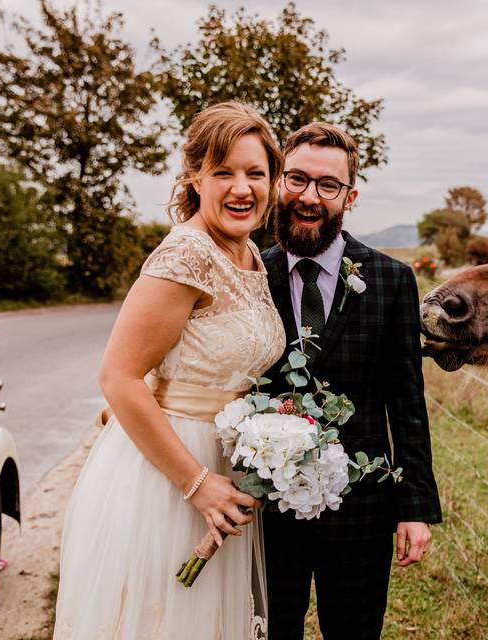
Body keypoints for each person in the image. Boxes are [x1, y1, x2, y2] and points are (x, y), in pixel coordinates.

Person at [54, 101, 285, 639]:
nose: (242, 188)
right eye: (223, 172)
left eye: (255, 173)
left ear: (273, 182)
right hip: (169, 474)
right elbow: (118, 378)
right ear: (195, 178)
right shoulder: (186, 255)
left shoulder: (249, 253)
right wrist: (197, 482)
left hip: (223, 467)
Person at [260, 122, 443, 640]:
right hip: (266, 511)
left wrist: (415, 507)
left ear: (349, 195)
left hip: (362, 506)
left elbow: (407, 400)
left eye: (328, 185)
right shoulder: (250, 272)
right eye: (296, 179)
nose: (309, 196)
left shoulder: (391, 279)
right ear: (278, 182)